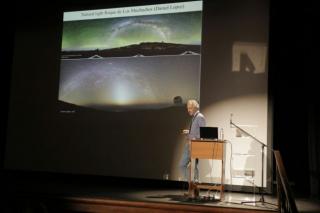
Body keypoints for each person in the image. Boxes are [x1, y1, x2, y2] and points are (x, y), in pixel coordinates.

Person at [179, 99, 206, 183]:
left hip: (195, 145)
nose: (188, 110)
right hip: (190, 144)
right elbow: (197, 131)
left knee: (191, 166)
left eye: (190, 108)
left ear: (195, 107)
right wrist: (189, 132)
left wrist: (193, 137)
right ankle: (193, 184)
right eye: (188, 108)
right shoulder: (195, 117)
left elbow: (203, 133)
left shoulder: (200, 117)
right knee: (186, 166)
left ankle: (193, 184)